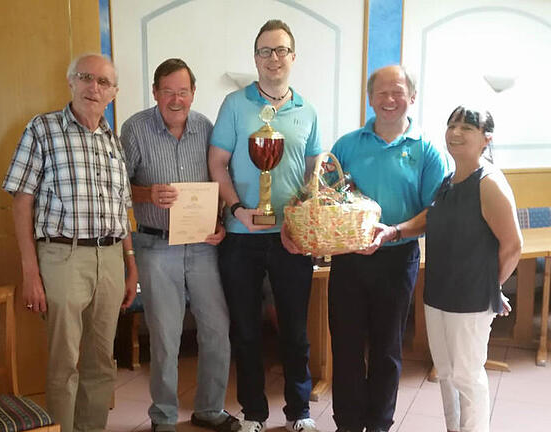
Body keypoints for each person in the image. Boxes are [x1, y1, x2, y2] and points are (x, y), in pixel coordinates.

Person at [283, 65, 448, 432]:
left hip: (398, 259)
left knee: (388, 350)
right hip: (349, 261)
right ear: (370, 98)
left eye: (398, 91)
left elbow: (433, 211)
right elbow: (320, 197)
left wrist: (393, 231)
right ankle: (348, 423)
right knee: (346, 346)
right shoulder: (347, 145)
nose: (389, 99)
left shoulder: (427, 151)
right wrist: (296, 224)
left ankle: (379, 424)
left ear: (412, 97)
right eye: (381, 92)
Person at [2, 53, 138, 432]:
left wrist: (130, 263)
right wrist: (30, 271)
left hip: (111, 257)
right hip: (62, 256)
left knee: (101, 361)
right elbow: (21, 201)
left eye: (103, 82)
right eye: (86, 77)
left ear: (113, 93)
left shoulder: (114, 141)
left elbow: (123, 208)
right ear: (71, 82)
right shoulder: (43, 129)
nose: (94, 87)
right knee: (64, 363)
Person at [208, 19, 321, 432]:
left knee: (294, 330)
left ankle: (299, 411)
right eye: (264, 51)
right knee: (247, 330)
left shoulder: (306, 110)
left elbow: (313, 172)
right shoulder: (235, 105)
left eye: (280, 50)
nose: (273, 58)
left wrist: (304, 217)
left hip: (291, 238)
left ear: (293, 56)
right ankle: (254, 413)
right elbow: (217, 163)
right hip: (241, 237)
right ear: (255, 58)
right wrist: (237, 208)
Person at [120, 58, 239, 432]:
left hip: (203, 246)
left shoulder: (206, 127)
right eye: (168, 91)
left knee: (217, 328)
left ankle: (209, 409)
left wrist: (220, 220)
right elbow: (117, 187)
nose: (176, 99)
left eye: (183, 91)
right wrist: (147, 193)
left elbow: (220, 178)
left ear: (192, 93)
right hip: (156, 247)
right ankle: (164, 417)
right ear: (155, 92)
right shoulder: (135, 129)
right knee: (166, 335)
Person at [388, 106, 521, 432]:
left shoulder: (488, 183)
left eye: (467, 128)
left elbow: (513, 245)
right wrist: (394, 231)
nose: (456, 133)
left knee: (467, 375)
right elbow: (429, 217)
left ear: (485, 139)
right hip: (438, 294)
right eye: (452, 126)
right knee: (446, 372)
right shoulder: (449, 180)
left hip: (470, 300)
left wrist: (492, 287)